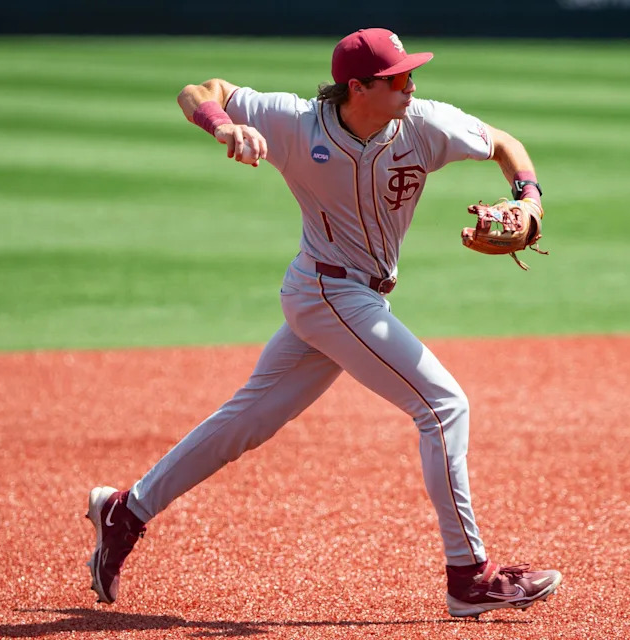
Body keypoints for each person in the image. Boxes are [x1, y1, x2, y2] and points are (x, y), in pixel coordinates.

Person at [85, 27, 561, 619]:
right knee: (442, 407)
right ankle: (470, 577)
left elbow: (503, 142)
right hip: (327, 291)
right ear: (357, 88)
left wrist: (528, 199)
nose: (412, 86)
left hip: (346, 298)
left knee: (249, 419)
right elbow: (198, 90)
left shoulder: (424, 123)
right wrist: (222, 124)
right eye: (399, 78)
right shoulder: (295, 123)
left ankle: (125, 511)